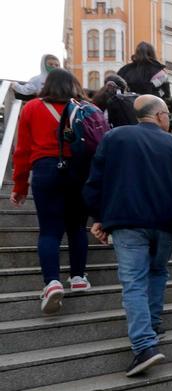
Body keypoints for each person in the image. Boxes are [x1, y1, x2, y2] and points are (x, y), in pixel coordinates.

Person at [83, 95, 172, 377]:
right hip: (166, 223)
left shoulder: (114, 138)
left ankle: (144, 345)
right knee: (158, 272)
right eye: (168, 116)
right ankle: (153, 325)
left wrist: (99, 217)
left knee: (133, 281)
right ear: (160, 115)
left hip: (127, 220)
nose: (169, 120)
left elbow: (96, 181)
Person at [10, 69, 92, 314]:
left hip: (46, 169)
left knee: (49, 230)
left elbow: (22, 151)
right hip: (79, 172)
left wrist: (20, 186)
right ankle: (78, 277)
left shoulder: (32, 107)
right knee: (77, 227)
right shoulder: (84, 107)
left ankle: (52, 282)